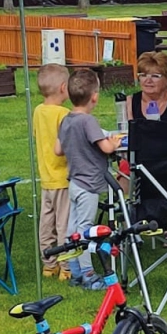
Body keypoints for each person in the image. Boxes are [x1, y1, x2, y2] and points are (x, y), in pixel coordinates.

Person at [54, 69, 124, 291]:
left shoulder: (66, 120)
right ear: (94, 96)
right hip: (89, 184)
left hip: (74, 182)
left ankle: (74, 271)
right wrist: (112, 143)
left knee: (72, 229)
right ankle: (88, 275)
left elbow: (57, 150)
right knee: (86, 231)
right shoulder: (88, 121)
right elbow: (104, 147)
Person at [32, 64, 72, 282]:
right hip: (62, 177)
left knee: (46, 221)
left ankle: (49, 264)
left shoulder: (38, 111)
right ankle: (67, 266)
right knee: (64, 222)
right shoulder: (64, 114)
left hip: (45, 177)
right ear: (64, 88)